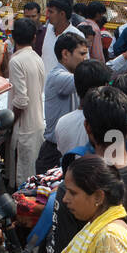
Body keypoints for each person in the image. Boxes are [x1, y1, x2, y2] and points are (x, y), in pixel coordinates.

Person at [37, 30, 90, 174]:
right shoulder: (57, 77)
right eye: (82, 54)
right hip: (54, 152)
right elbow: (92, 76)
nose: (85, 59)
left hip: (69, 150)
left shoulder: (72, 76)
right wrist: (124, 57)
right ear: (66, 54)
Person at [7, 17, 46, 187]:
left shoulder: (16, 61)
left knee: (23, 179)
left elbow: (21, 101)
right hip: (36, 124)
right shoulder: (37, 58)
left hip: (24, 127)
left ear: (13, 37)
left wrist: (9, 123)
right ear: (34, 38)